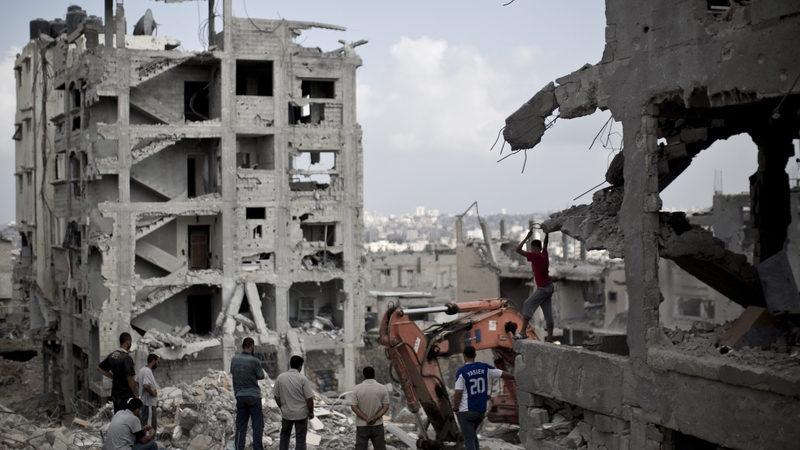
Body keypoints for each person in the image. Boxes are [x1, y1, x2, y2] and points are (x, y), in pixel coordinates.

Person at [453, 345, 514, 450]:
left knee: (468, 440)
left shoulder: (462, 371)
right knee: (472, 435)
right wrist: (516, 377)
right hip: (480, 411)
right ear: (475, 355)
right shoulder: (484, 368)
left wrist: (456, 408)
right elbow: (503, 374)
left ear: (464, 355)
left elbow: (458, 392)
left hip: (466, 411)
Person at [515, 229, 555, 342]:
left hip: (543, 288)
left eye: (532, 248)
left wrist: (527, 237)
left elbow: (517, 250)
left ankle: (522, 332)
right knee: (547, 312)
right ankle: (550, 338)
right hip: (549, 287)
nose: (531, 250)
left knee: (527, 304)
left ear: (535, 248)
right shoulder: (544, 254)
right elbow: (546, 243)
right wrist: (547, 232)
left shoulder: (535, 256)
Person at [231, 337, 266, 450]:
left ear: (242, 346)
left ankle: (238, 448)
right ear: (252, 347)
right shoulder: (254, 360)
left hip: (240, 396)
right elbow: (261, 376)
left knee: (241, 426)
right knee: (257, 425)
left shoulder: (234, 359)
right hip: (254, 396)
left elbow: (233, 372)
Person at [273, 355, 315, 450]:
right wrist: (311, 411)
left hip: (287, 413)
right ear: (300, 366)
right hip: (301, 413)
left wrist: (282, 407)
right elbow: (309, 398)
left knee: (284, 435)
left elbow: (276, 395)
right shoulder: (302, 378)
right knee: (300, 438)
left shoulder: (280, 378)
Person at [351, 366, 390, 450]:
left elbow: (353, 406)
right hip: (377, 425)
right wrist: (374, 418)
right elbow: (385, 407)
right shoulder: (382, 388)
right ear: (374, 375)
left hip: (362, 425)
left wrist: (366, 418)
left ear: (363, 376)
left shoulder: (357, 389)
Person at [98, 332, 138, 413]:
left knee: (118, 416)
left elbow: (99, 368)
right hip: (126, 395)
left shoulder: (112, 355)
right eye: (131, 341)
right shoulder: (126, 358)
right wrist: (136, 394)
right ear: (128, 341)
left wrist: (113, 377)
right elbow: (129, 378)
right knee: (128, 417)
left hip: (116, 393)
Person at [136, 354, 160, 431]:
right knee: (149, 427)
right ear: (153, 361)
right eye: (157, 361)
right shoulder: (147, 371)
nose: (157, 364)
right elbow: (146, 385)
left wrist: (142, 392)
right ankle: (148, 442)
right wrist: (152, 393)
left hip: (145, 402)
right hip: (149, 403)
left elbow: (136, 382)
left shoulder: (142, 370)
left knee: (145, 422)